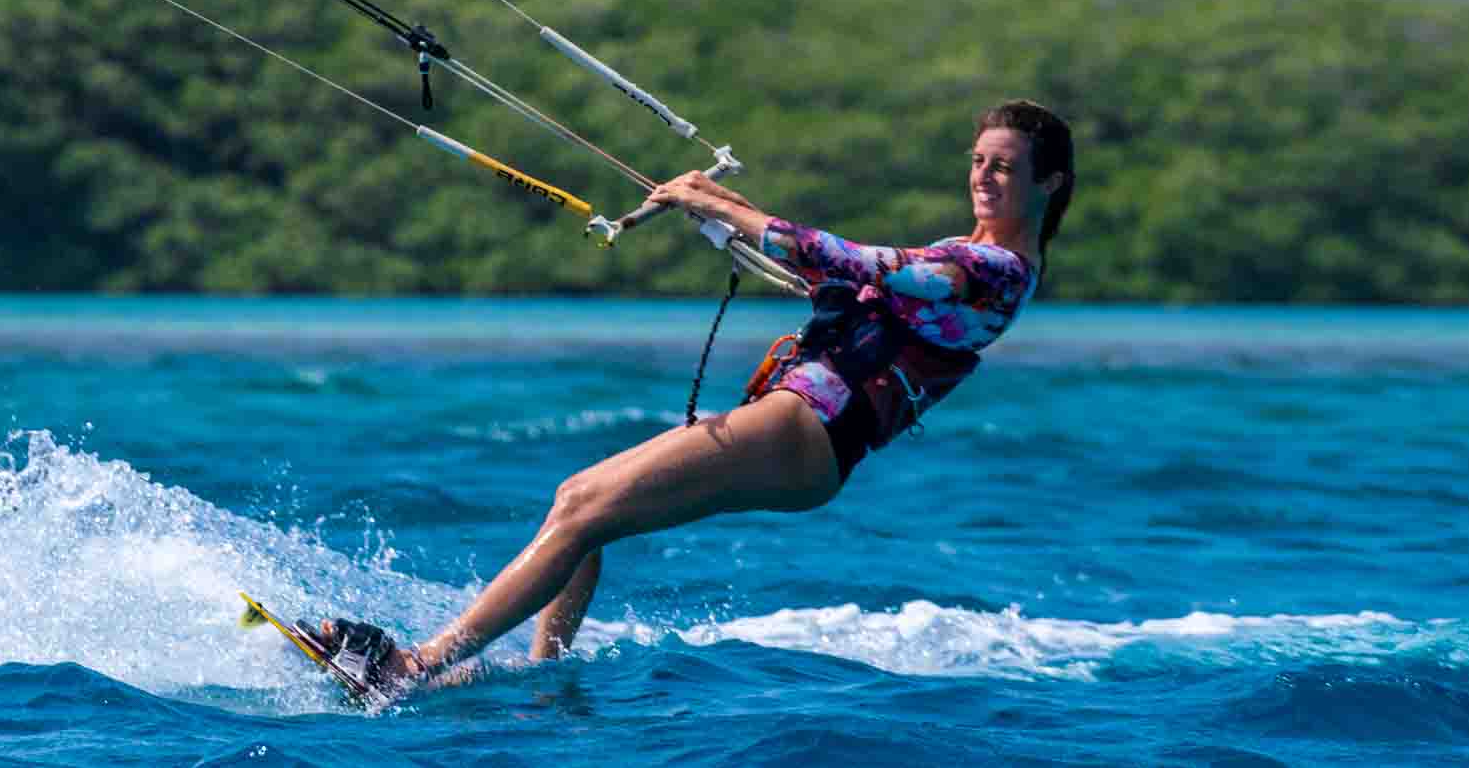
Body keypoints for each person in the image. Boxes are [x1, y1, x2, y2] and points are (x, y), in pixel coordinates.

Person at [309, 99, 1075, 698]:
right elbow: (843, 279)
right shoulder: (970, 256)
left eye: (1004, 167)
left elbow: (863, 260)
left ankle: (414, 667)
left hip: (809, 428)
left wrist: (728, 210)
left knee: (580, 508)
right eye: (978, 161)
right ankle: (541, 680)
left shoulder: (997, 268)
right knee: (584, 508)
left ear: (1048, 183)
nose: (983, 176)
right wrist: (717, 205)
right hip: (800, 432)